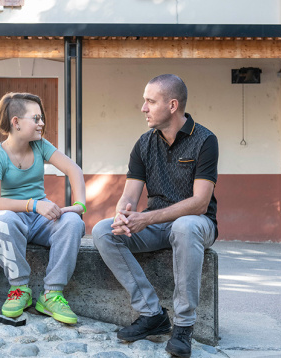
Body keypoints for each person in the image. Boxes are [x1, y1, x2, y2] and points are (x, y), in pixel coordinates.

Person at [92, 74, 218, 358]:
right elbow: (130, 195)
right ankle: (152, 314)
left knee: (185, 227)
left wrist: (146, 218)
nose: (143, 108)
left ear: (173, 105)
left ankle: (183, 326)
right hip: (158, 224)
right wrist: (122, 213)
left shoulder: (205, 140)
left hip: (198, 224)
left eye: (150, 101)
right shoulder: (144, 143)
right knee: (103, 230)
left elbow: (200, 203)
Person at [0, 92, 86, 324]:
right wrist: (33, 204)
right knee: (2, 220)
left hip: (40, 221)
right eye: (36, 118)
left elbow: (74, 170)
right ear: (16, 122)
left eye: (42, 118)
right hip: (12, 218)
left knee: (72, 222)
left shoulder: (40, 146)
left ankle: (52, 294)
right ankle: (19, 289)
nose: (42, 123)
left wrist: (79, 205)